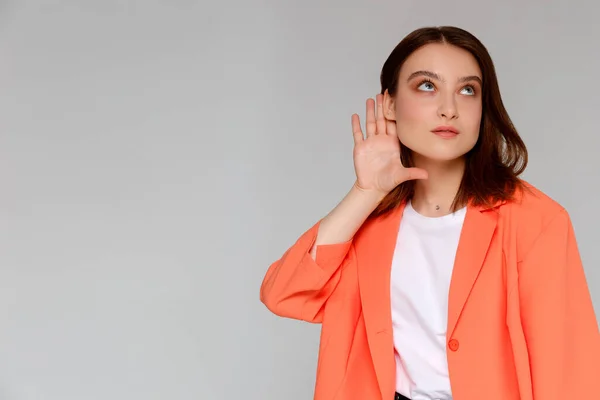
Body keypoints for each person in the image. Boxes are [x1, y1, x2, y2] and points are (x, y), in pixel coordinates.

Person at [259, 26, 600, 400]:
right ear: (389, 104)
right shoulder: (367, 227)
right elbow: (284, 294)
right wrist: (366, 192)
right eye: (426, 86)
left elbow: (570, 373)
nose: (449, 109)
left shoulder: (536, 221)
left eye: (467, 90)